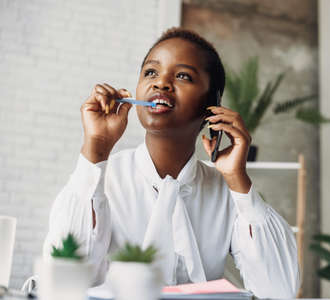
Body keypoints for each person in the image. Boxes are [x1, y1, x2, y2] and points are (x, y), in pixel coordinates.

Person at [43, 28, 300, 298]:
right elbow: (63, 281)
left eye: (182, 76)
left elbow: (280, 290)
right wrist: (95, 148)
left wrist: (238, 180)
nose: (161, 83)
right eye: (151, 72)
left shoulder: (226, 193)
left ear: (212, 105)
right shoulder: (101, 178)